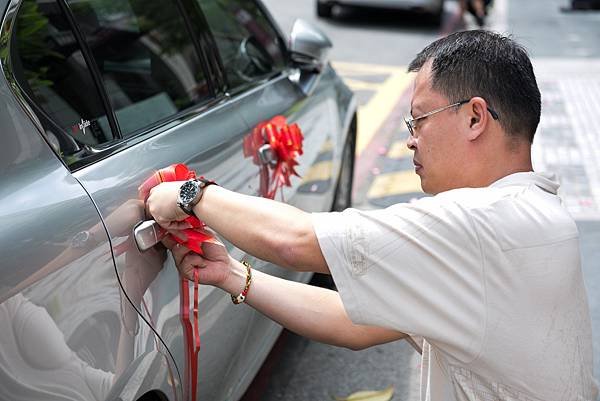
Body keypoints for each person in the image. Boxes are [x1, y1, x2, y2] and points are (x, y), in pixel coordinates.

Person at [146, 30, 596, 400]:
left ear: (475, 117)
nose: (410, 141)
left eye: (419, 120)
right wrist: (232, 275)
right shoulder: (535, 215)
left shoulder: (484, 224)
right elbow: (356, 323)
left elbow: (297, 240)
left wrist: (190, 193)